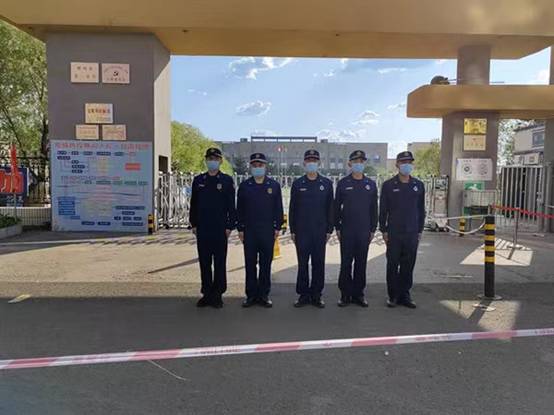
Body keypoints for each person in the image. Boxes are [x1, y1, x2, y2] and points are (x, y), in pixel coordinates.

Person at [189, 148, 236, 308]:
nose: (212, 161)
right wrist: (194, 224)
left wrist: (230, 226)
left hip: (220, 228)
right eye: (210, 158)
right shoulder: (198, 180)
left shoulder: (227, 180)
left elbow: (231, 206)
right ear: (206, 160)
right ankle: (206, 293)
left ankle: (218, 294)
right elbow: (193, 204)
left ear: (220, 161)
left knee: (220, 262)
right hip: (203, 228)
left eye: (215, 158)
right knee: (204, 262)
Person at [379, 151, 426, 309]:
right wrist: (383, 230)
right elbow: (383, 210)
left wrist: (420, 230)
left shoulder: (418, 185)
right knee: (392, 265)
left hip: (412, 232)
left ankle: (405, 295)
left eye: (409, 162)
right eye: (403, 162)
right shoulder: (388, 185)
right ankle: (393, 296)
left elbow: (421, 210)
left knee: (408, 265)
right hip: (394, 232)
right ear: (397, 164)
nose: (407, 165)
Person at [237, 153, 284, 308]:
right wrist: (240, 228)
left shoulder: (273, 185)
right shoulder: (245, 186)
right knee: (250, 264)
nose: (258, 167)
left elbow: (278, 208)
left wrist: (278, 227)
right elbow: (240, 209)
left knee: (265, 264)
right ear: (251, 167)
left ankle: (264, 295)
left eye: (260, 165)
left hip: (267, 231)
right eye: (255, 165)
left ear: (265, 166)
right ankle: (251, 295)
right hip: (249, 231)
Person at [289, 149, 334, 308]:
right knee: (302, 264)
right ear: (304, 163)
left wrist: (329, 229)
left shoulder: (326, 184)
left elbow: (330, 208)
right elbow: (292, 209)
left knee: (318, 263)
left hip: (320, 231)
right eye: (309, 160)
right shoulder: (298, 184)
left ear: (319, 163)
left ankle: (316, 295)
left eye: (314, 160)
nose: (311, 163)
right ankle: (303, 295)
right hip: (302, 231)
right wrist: (292, 230)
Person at [334, 150, 378, 307]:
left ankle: (359, 294)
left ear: (364, 163)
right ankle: (345, 294)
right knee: (346, 263)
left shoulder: (370, 184)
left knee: (361, 263)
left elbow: (374, 209)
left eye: (361, 161)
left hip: (364, 231)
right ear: (349, 164)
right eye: (355, 161)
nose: (358, 164)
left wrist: (373, 229)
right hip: (347, 230)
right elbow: (336, 207)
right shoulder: (343, 183)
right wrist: (337, 227)